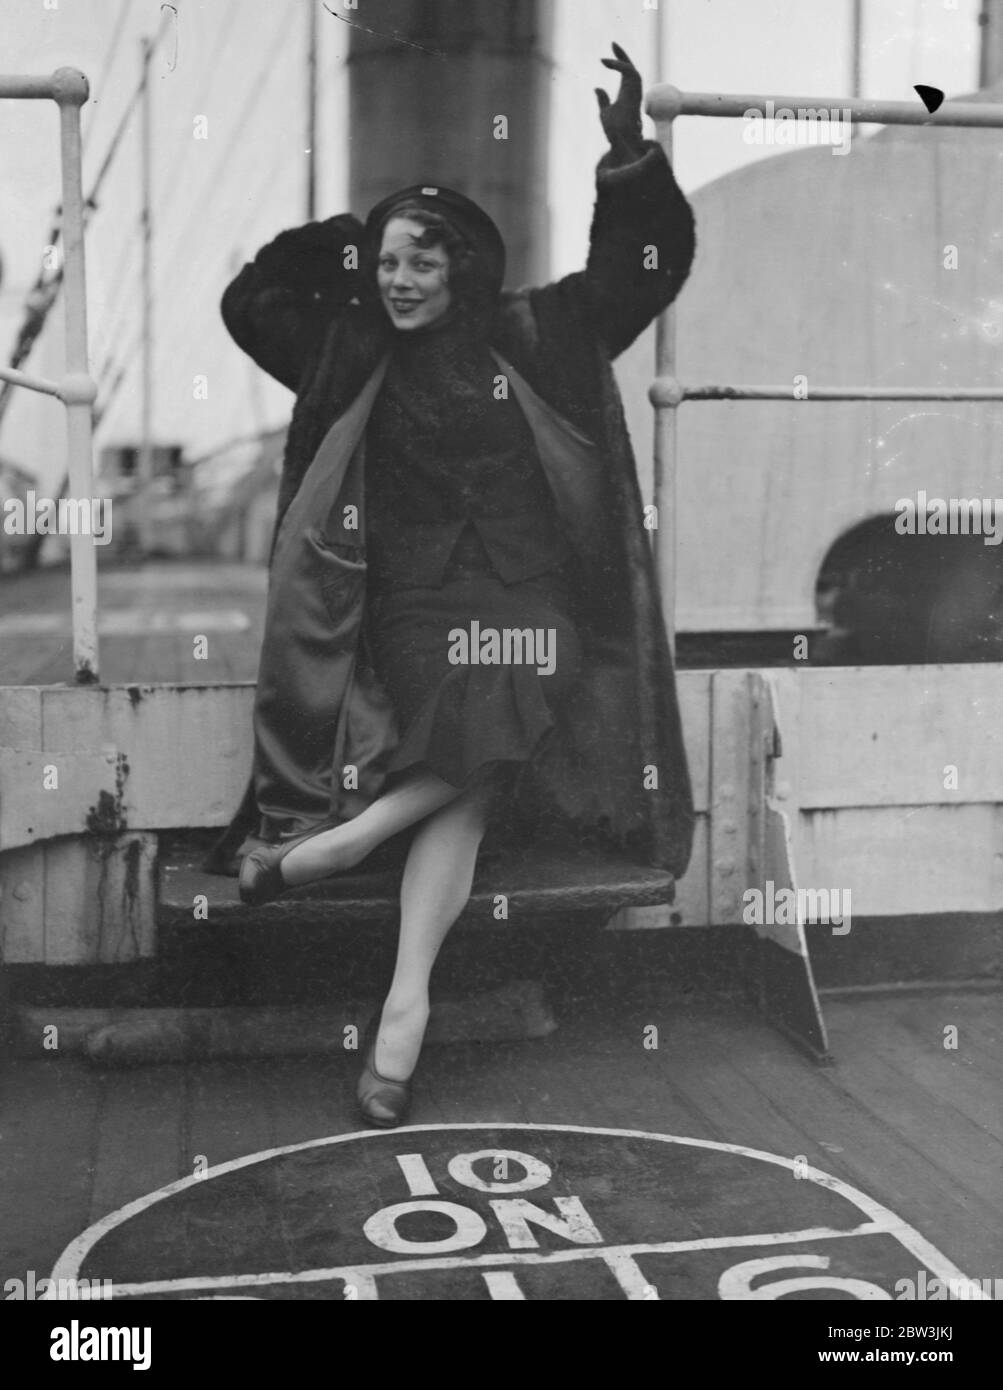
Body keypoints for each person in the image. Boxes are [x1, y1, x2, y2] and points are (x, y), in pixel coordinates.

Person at [215, 44, 696, 1127]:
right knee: (476, 771)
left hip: (533, 608)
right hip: (413, 614)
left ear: (464, 271)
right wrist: (348, 239)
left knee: (518, 685)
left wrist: (629, 161)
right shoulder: (346, 348)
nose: (398, 280)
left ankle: (348, 854)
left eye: (419, 263)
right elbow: (248, 302)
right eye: (388, 262)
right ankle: (401, 1012)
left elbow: (648, 267)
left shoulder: (542, 333)